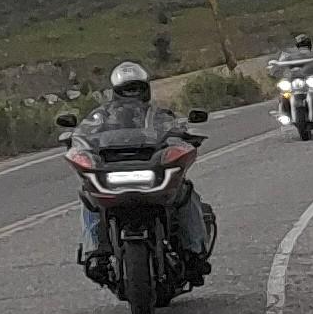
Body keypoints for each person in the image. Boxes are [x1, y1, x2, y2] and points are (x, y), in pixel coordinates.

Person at [73, 61, 211, 287]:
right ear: (116, 91)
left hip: (150, 167)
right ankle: (94, 252)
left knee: (184, 192)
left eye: (136, 87)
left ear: (145, 88)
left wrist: (186, 135)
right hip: (115, 169)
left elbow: (178, 129)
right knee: (89, 197)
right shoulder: (101, 118)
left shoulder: (160, 115)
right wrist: (77, 141)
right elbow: (84, 134)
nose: (132, 93)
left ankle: (194, 251)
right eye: (127, 89)